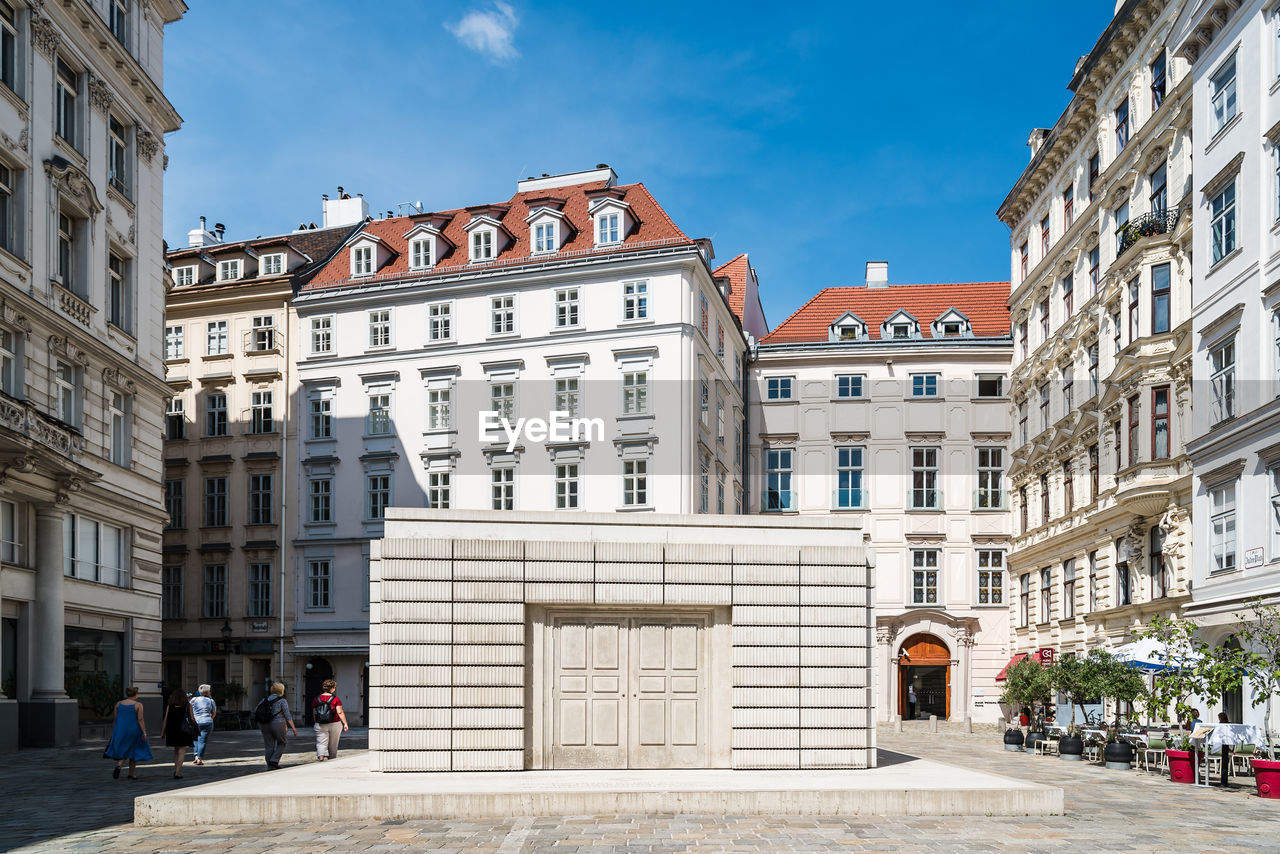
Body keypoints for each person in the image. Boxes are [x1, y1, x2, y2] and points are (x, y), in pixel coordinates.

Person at [103, 687, 152, 780]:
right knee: (133, 750)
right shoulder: (138, 705)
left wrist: (114, 731)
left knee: (128, 749)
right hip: (133, 730)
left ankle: (130, 773)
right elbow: (140, 719)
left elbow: (115, 719)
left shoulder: (118, 704)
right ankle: (122, 766)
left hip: (120, 730)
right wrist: (144, 732)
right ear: (135, 694)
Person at [257, 681, 297, 769]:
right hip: (278, 724)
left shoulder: (264, 700)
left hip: (264, 725)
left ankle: (270, 766)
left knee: (269, 745)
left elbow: (256, 711)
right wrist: (293, 728)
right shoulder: (282, 700)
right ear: (281, 690)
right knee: (282, 742)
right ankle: (274, 760)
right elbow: (287, 715)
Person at [160, 688, 196, 778]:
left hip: (172, 730)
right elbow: (192, 719)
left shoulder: (170, 706)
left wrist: (162, 732)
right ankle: (177, 772)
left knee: (176, 750)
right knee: (182, 751)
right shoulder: (188, 705)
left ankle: (176, 769)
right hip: (184, 730)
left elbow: (165, 720)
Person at [312, 678, 350, 761]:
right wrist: (345, 723)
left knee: (321, 741)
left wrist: (316, 721)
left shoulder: (316, 699)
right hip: (335, 723)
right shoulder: (336, 699)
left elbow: (314, 712)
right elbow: (340, 712)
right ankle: (332, 759)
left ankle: (321, 756)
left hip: (320, 723)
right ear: (332, 688)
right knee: (333, 743)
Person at [189, 684, 218, 765]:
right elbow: (214, 713)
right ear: (207, 692)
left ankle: (196, 756)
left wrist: (192, 718)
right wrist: (210, 719)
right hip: (207, 722)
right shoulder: (211, 701)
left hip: (196, 722)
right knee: (202, 741)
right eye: (209, 691)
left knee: (195, 739)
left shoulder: (194, 699)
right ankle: (199, 758)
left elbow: (188, 708)